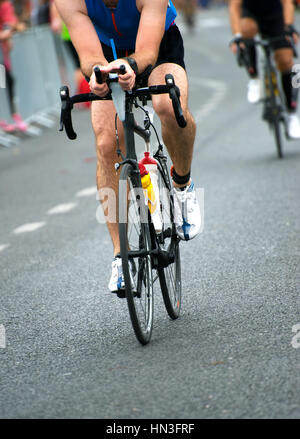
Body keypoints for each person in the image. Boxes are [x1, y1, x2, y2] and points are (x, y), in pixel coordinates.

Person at [54, 0, 201, 294]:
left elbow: (146, 51)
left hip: (157, 46)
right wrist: (95, 72)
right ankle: (121, 257)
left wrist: (131, 65)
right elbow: (88, 54)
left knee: (168, 107)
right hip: (106, 52)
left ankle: (183, 186)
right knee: (107, 142)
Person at [229, 0, 300, 139]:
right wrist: (237, 36)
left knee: (286, 61)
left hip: (275, 17)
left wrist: (288, 26)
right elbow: (234, 7)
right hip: (250, 15)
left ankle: (292, 115)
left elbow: (288, 3)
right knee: (246, 30)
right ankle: (254, 78)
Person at [0, 0, 27, 133]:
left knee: (6, 83)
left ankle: (10, 116)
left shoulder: (4, 5)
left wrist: (10, 29)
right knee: (4, 84)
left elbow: (10, 23)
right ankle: (6, 117)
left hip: (2, 56)